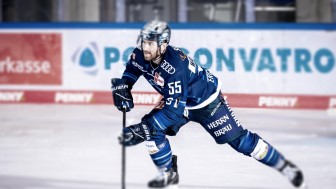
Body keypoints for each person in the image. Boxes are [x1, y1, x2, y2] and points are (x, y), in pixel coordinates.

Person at [111, 20, 305, 188]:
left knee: (241, 142)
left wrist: (143, 128)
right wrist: (125, 86)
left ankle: (284, 166)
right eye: (144, 41)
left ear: (163, 45)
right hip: (179, 98)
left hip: (207, 102)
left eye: (151, 43)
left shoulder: (174, 68)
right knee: (151, 130)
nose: (145, 47)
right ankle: (168, 174)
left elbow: (172, 112)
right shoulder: (140, 55)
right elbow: (132, 69)